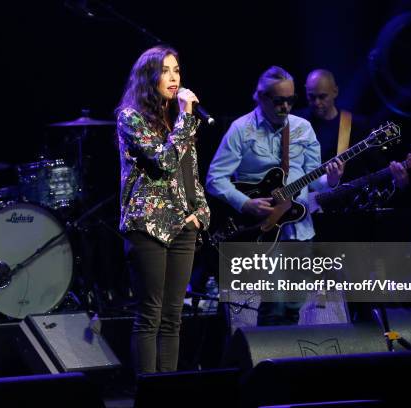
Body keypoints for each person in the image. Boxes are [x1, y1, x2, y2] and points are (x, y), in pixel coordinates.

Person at [206, 66, 343, 325]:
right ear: (260, 97)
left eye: (291, 100)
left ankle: (285, 361)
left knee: (293, 305)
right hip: (261, 228)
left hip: (298, 229)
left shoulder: (303, 128)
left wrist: (332, 180)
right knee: (273, 306)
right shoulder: (241, 129)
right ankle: (267, 361)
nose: (286, 107)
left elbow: (317, 182)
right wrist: (245, 203)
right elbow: (215, 178)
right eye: (279, 101)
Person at [116, 46, 210, 373]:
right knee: (150, 316)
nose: (174, 77)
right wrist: (187, 116)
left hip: (184, 225)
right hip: (148, 226)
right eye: (166, 71)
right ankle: (147, 393)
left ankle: (168, 393)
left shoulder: (178, 120)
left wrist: (201, 213)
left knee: (173, 317)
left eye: (177, 70)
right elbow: (166, 161)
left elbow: (190, 170)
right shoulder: (131, 118)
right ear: (148, 77)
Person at [296, 69, 408, 187]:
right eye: (311, 97)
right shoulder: (297, 122)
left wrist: (398, 180)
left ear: (335, 91)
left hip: (343, 201)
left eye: (322, 96)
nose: (317, 102)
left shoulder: (355, 125)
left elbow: (377, 167)